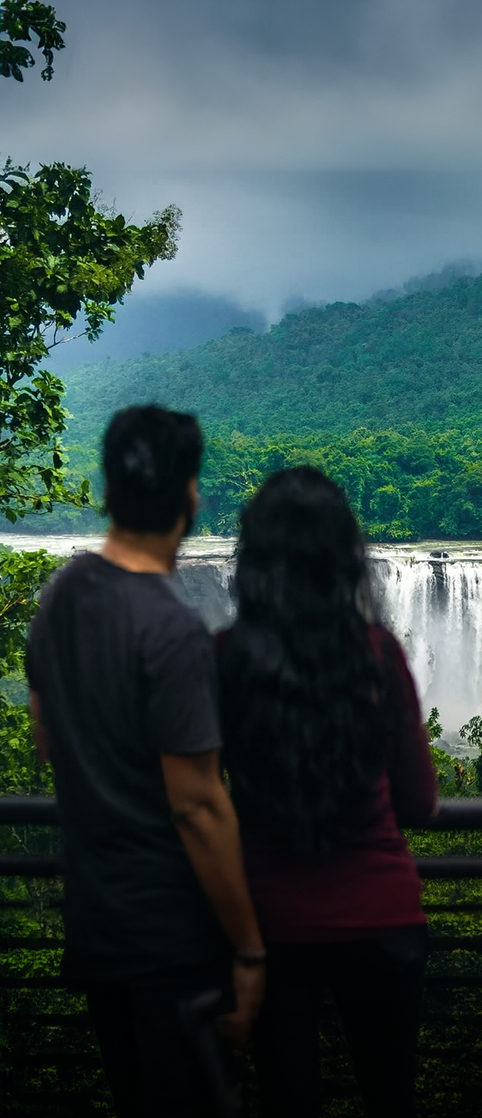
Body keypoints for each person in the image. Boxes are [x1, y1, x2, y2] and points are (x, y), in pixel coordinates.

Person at [25, 405, 266, 1117]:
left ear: (108, 485)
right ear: (190, 495)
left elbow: (46, 742)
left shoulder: (59, 598)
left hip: (96, 924)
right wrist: (249, 948)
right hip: (174, 940)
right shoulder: (172, 629)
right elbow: (196, 803)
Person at [216, 466, 438, 1118]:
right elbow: (420, 801)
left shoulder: (223, 658)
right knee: (390, 1095)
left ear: (253, 558)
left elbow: (200, 793)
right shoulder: (377, 653)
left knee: (288, 1101)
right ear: (346, 556)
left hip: (269, 927)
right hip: (384, 916)